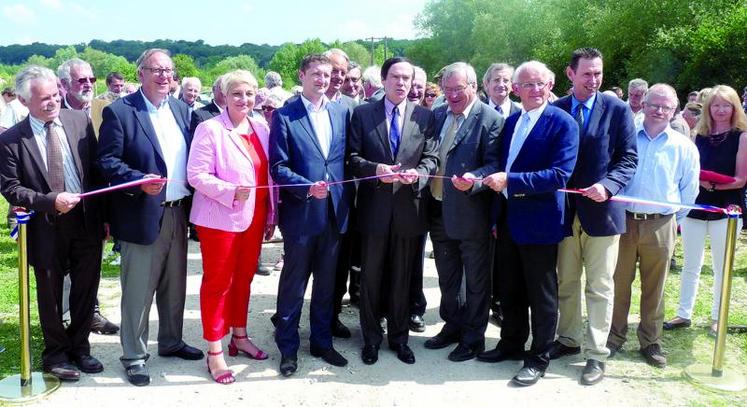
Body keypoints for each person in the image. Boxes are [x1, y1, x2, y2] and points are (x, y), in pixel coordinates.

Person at [98, 48, 204, 387]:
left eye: (168, 70)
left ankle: (171, 341)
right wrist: (137, 180)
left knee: (175, 287)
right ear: (140, 73)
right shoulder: (120, 112)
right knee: (139, 291)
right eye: (155, 70)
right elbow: (108, 162)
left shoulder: (182, 109)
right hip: (141, 214)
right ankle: (134, 356)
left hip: (178, 212)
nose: (164, 76)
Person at [0, 65, 105, 381]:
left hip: (86, 221)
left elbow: (96, 170)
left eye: (56, 95)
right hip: (45, 226)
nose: (52, 102)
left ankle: (80, 349)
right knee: (49, 293)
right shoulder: (11, 140)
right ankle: (55, 355)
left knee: (86, 290)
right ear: (23, 99)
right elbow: (10, 187)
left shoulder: (79, 121)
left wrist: (106, 217)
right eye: (43, 98)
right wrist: (50, 201)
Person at [480, 60, 579, 387]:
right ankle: (510, 344)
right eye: (528, 85)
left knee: (541, 294)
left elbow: (559, 175)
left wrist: (510, 180)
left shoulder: (563, 123)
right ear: (516, 89)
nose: (536, 90)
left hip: (540, 221)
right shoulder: (511, 122)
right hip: (508, 220)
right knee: (509, 288)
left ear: (551, 85)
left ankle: (538, 358)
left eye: (541, 84)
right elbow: (500, 164)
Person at [551, 48, 637, 385]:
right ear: (570, 74)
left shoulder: (617, 110)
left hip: (603, 213)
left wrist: (608, 185)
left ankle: (597, 354)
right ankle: (568, 339)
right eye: (587, 74)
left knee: (600, 286)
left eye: (598, 73)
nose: (594, 80)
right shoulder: (556, 109)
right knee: (566, 281)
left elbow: (628, 159)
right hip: (563, 212)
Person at [348, 56, 439, 366]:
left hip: (409, 211)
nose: (402, 83)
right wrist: (376, 169)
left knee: (403, 279)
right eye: (396, 77)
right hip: (374, 211)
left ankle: (399, 339)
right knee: (371, 279)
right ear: (384, 80)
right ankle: (371, 339)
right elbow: (352, 158)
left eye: (408, 78)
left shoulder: (425, 117)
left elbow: (431, 158)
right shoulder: (363, 114)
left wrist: (421, 174)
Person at [187, 69, 276, 384]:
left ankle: (239, 335)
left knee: (245, 278)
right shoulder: (209, 129)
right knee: (218, 282)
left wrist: (270, 215)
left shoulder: (261, 127)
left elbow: (267, 176)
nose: (244, 99)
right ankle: (214, 350)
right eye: (237, 93)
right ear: (224, 96)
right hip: (220, 219)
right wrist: (228, 191)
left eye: (250, 93)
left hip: (254, 218)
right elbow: (195, 174)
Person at [607, 84, 700, 368]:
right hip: (623, 221)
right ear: (643, 104)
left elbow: (689, 191)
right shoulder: (626, 138)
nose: (659, 111)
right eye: (654, 104)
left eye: (666, 107)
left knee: (655, 287)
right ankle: (614, 338)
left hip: (661, 223)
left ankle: (650, 341)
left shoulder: (683, 146)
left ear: (674, 110)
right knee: (618, 283)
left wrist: (672, 222)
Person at [269, 53, 351, 377]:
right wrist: (306, 187)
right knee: (293, 284)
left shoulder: (342, 112)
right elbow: (278, 167)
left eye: (327, 74)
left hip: (334, 213)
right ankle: (288, 348)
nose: (322, 80)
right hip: (302, 215)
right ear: (302, 75)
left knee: (326, 284)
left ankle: (321, 341)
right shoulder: (285, 115)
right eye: (316, 73)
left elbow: (344, 159)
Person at [422, 62, 501, 362]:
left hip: (472, 214)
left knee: (477, 281)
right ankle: (451, 326)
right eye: (447, 89)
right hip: (438, 209)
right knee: (447, 276)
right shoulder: (438, 114)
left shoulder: (490, 119)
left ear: (473, 87)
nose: (452, 95)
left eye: (458, 89)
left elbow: (495, 163)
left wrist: (475, 179)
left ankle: (473, 338)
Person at [665, 85, 747, 335]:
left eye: (726, 105)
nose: (721, 110)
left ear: (734, 108)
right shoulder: (697, 135)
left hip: (728, 208)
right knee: (691, 263)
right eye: (716, 105)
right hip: (696, 205)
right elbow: (689, 172)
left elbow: (741, 179)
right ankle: (683, 313)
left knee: (723, 266)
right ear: (708, 107)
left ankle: (717, 317)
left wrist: (712, 184)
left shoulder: (742, 136)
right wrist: (702, 183)